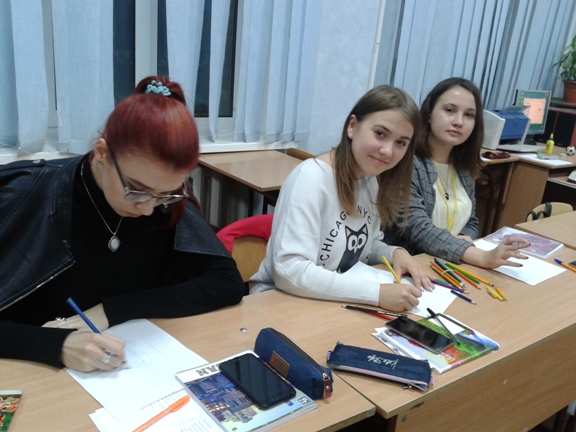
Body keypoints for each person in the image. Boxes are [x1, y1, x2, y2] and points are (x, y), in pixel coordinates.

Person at [0, 77, 244, 372]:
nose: (148, 208)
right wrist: (56, 345)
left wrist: (112, 310)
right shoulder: (23, 192)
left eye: (165, 193)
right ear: (102, 153)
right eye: (136, 190)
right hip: (29, 374)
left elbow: (226, 283)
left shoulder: (164, 202)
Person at [250, 85, 433, 312]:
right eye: (380, 134)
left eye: (401, 143)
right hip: (280, 302)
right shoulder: (311, 178)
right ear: (352, 126)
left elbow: (366, 245)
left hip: (330, 301)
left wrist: (396, 253)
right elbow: (289, 270)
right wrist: (376, 294)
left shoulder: (371, 180)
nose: (388, 150)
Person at [384, 77, 529, 267]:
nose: (459, 122)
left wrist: (464, 240)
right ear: (429, 113)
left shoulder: (464, 167)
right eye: (450, 110)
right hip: (412, 265)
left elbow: (471, 222)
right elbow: (416, 228)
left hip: (451, 263)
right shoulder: (406, 161)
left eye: (469, 115)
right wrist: (476, 255)